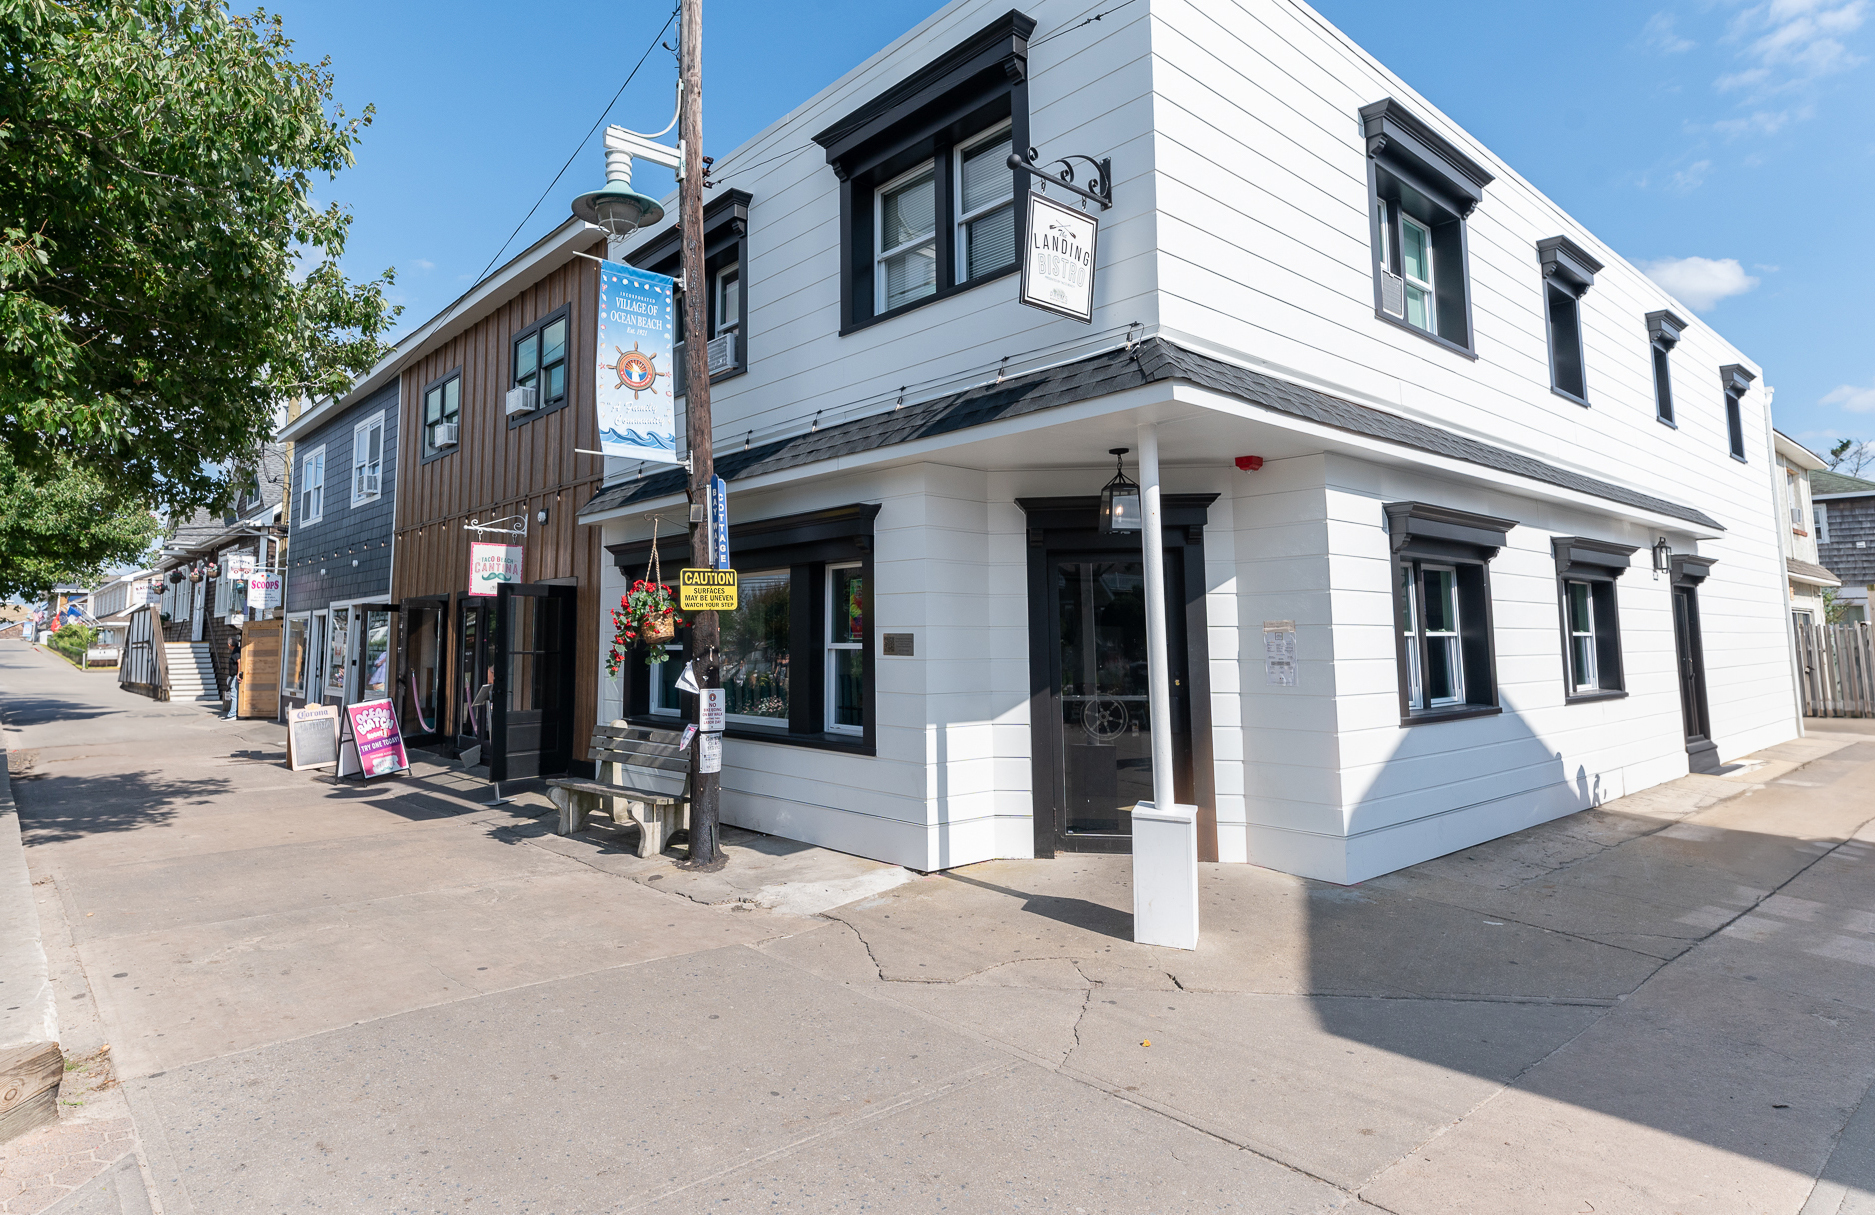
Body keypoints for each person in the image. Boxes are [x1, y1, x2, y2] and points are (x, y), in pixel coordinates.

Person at [223, 632, 242, 720]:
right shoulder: (237, 650)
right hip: (233, 676)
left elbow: (239, 662)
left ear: (229, 644)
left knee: (234, 695)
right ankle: (235, 712)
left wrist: (238, 674)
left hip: (235, 676)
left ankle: (232, 714)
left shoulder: (236, 652)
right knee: (234, 694)